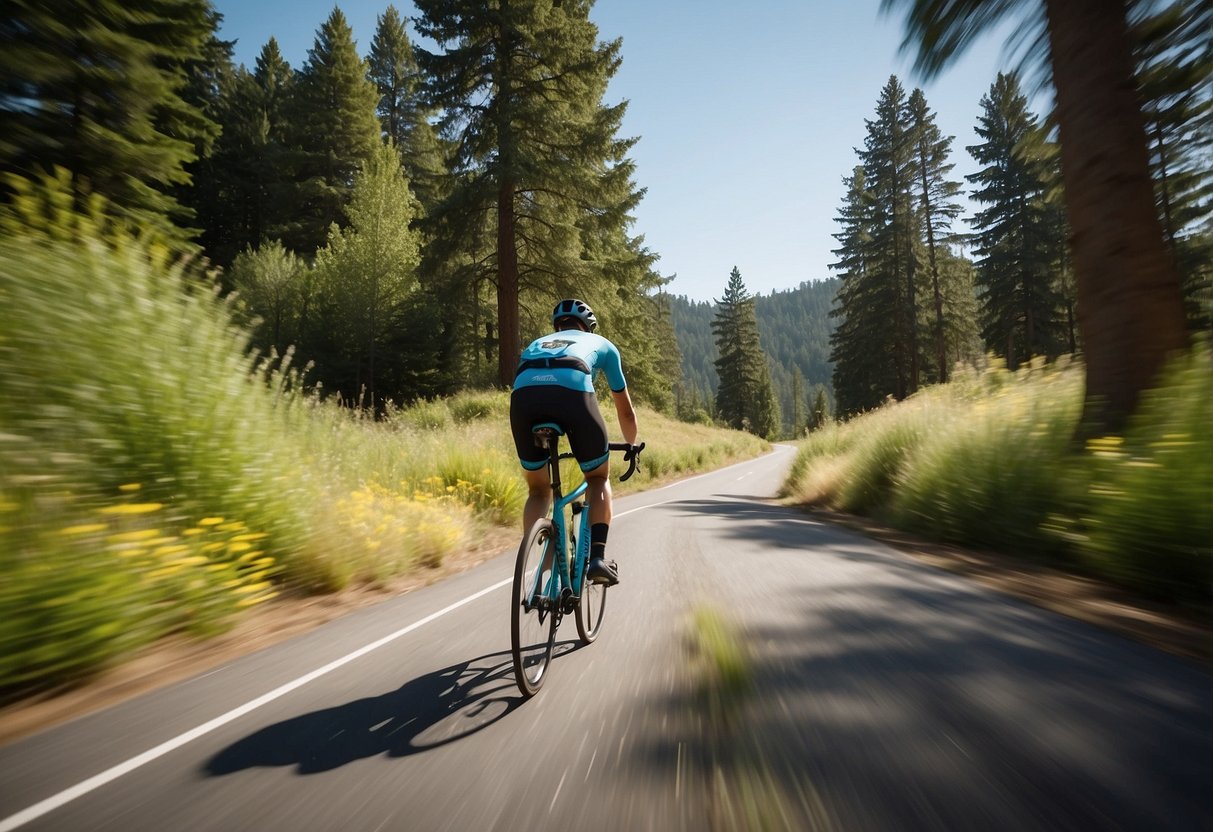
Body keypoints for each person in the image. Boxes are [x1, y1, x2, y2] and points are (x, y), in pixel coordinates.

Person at [510, 298, 640, 586]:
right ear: (589, 327)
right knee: (597, 478)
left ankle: (542, 553)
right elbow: (626, 411)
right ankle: (596, 559)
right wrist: (631, 446)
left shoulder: (538, 342)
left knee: (538, 490)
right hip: (572, 393)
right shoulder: (602, 344)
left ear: (558, 327)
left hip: (523, 399)